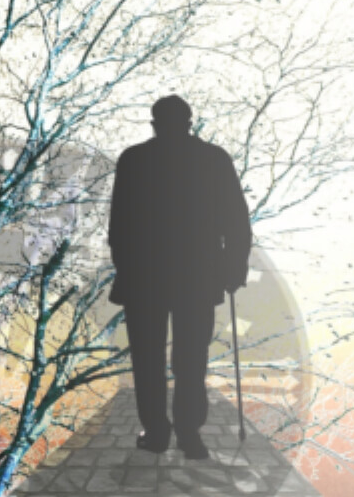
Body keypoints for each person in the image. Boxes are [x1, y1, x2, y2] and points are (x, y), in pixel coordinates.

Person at [108, 95, 252, 459]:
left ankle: (157, 433)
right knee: (191, 358)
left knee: (147, 359)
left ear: (154, 123)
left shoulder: (134, 159)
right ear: (190, 122)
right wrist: (234, 269)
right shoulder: (214, 159)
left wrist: (124, 270)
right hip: (197, 277)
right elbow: (237, 221)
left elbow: (119, 225)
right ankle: (189, 434)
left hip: (145, 277)